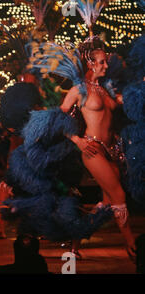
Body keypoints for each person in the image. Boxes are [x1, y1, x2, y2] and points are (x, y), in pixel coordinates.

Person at [59, 37, 136, 258]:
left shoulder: (104, 89)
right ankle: (132, 245)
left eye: (106, 62)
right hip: (92, 150)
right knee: (119, 194)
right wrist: (77, 140)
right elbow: (57, 118)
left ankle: (75, 241)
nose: (106, 66)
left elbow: (125, 102)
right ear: (90, 63)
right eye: (101, 62)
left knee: (106, 203)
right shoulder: (79, 89)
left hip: (111, 151)